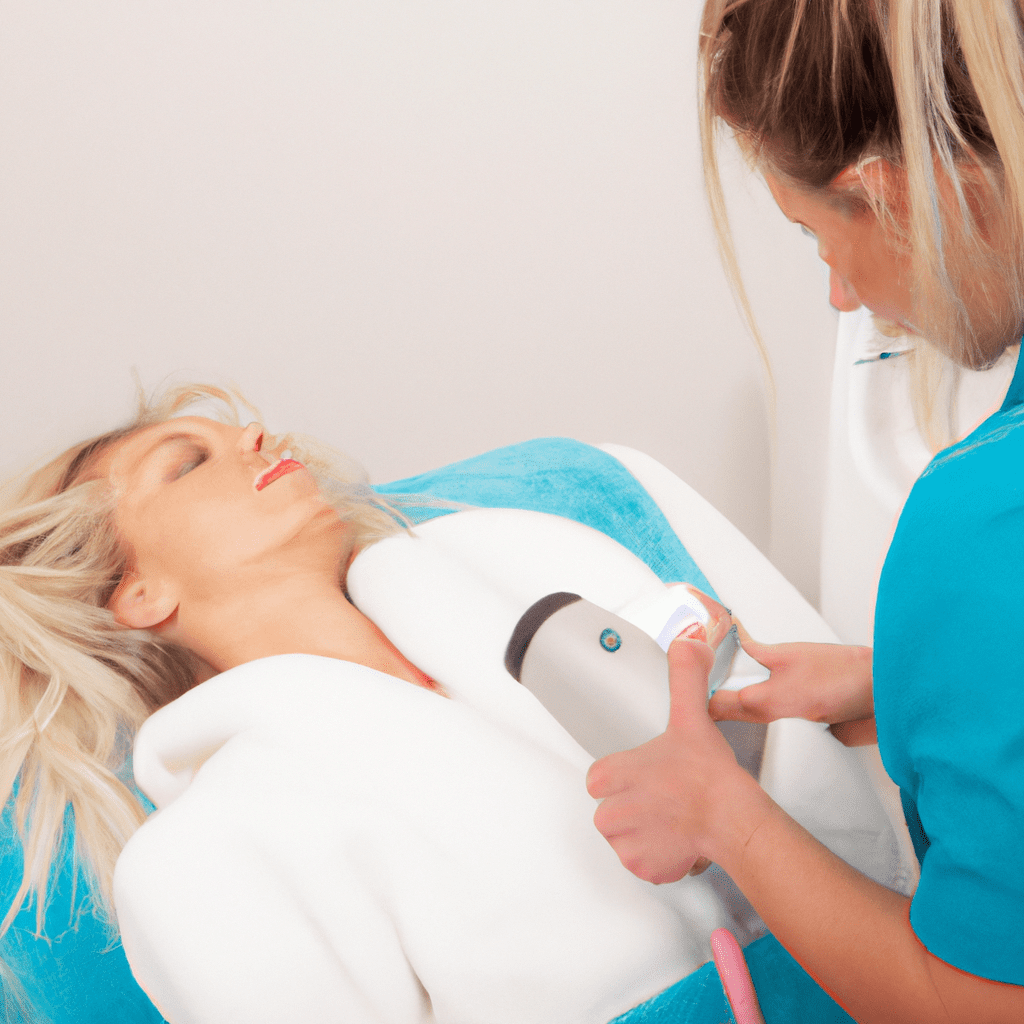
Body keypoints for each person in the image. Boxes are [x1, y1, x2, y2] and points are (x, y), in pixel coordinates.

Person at [1, 383, 768, 1023]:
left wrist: (722, 705)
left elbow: (800, 799)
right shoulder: (200, 858)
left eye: (236, 427)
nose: (256, 434)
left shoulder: (530, 590)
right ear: (137, 594)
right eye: (186, 464)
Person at [587, 2, 1024, 1022]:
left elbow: (979, 1004)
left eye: (815, 237)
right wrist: (902, 689)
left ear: (895, 197)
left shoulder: (978, 524)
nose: (837, 295)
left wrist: (718, 811)